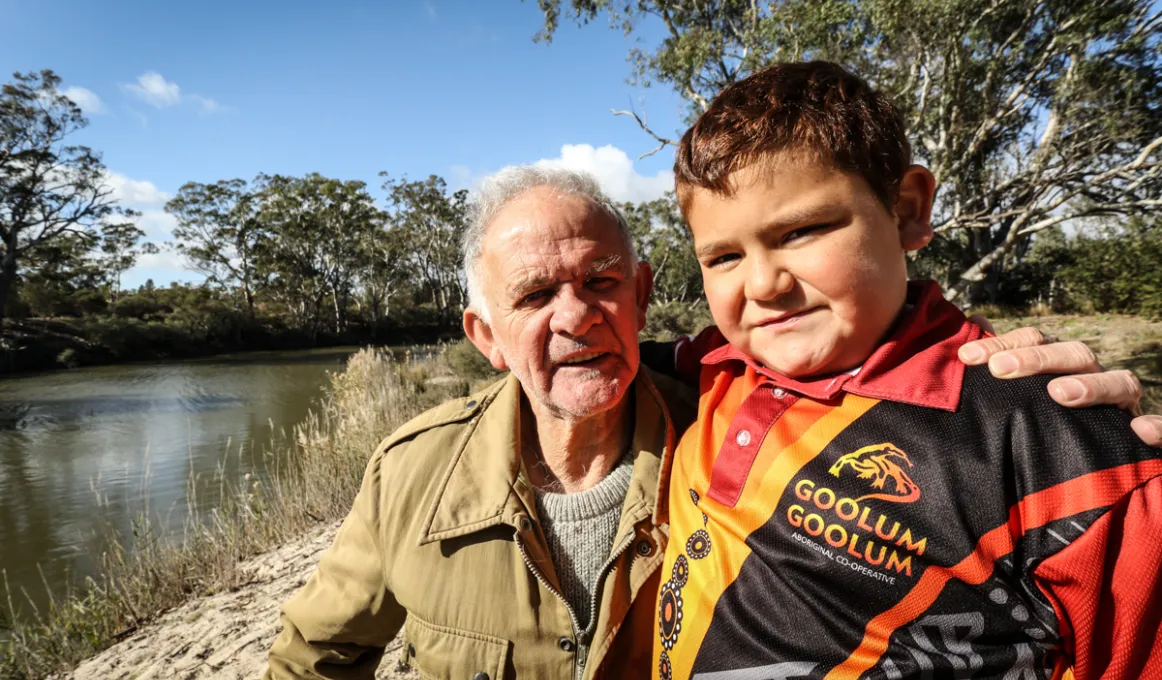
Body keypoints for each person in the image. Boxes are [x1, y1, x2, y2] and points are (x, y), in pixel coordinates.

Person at [265, 166, 1157, 680]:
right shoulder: (409, 472)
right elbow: (314, 658)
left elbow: (871, 361)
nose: (575, 317)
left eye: (602, 282)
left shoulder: (730, 417)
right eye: (534, 296)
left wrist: (1031, 391)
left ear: (643, 294)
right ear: (485, 337)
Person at [652, 61, 1162, 680]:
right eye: (724, 256)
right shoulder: (715, 366)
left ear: (907, 210)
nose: (763, 284)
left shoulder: (1047, 435)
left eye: (802, 231)